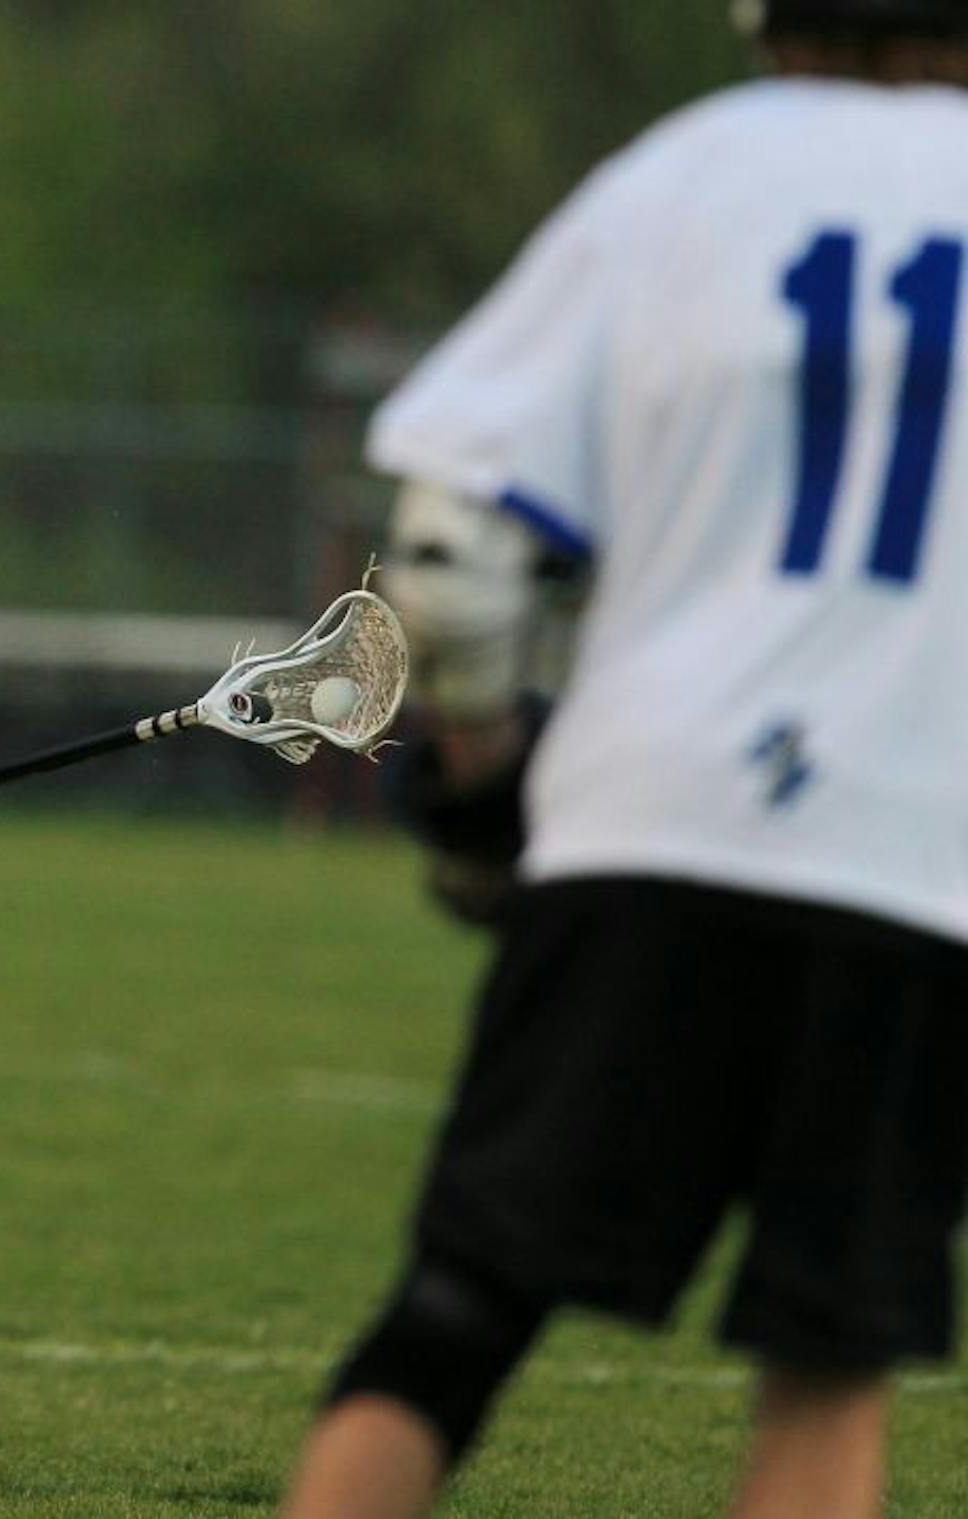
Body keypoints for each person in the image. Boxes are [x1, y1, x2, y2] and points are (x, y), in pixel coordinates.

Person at [282, 5, 968, 1517]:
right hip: (922, 860)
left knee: (457, 1315)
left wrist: (477, 792)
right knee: (828, 1361)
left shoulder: (691, 171)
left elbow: (455, 558)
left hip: (651, 820)